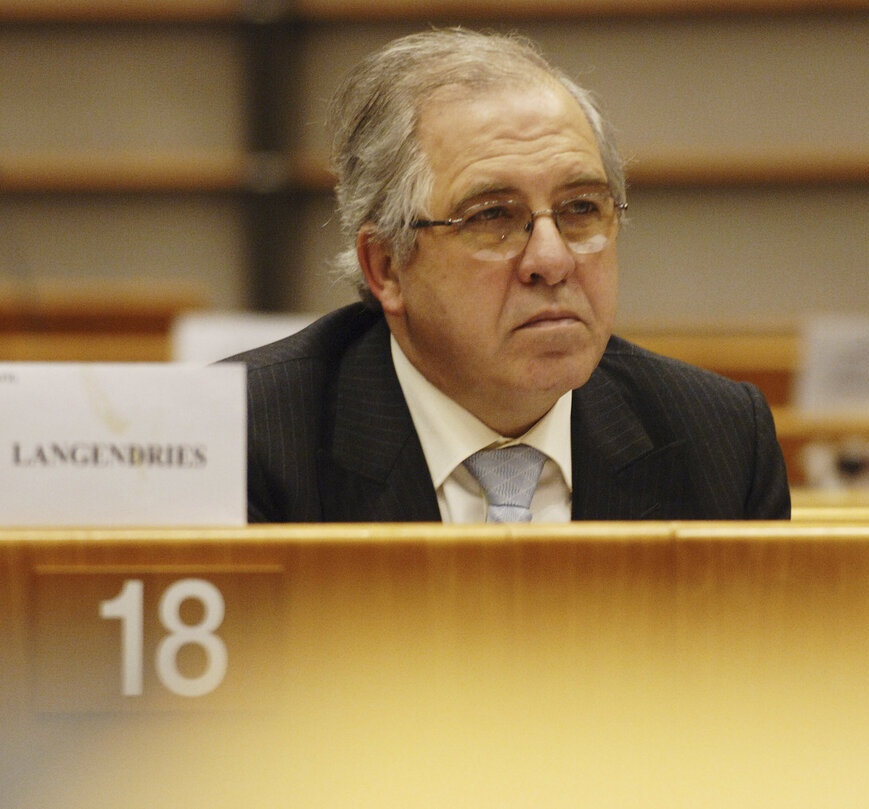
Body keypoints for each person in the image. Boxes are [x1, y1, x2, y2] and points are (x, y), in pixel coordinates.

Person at [230, 27, 790, 523]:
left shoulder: (721, 443)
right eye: (493, 216)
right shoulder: (244, 444)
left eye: (580, 209)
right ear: (386, 267)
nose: (552, 260)